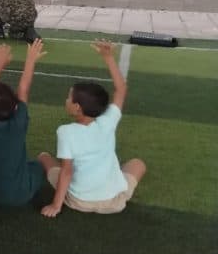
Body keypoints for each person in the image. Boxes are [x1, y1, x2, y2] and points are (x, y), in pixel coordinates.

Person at [39, 41, 147, 217]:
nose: (66, 100)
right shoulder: (108, 121)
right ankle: (109, 177)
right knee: (137, 163)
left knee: (44, 157)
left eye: (69, 98)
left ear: (77, 108)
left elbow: (67, 172)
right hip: (115, 203)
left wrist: (56, 205)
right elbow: (121, 90)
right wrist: (108, 57)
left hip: (79, 202)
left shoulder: (65, 131)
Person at [0, 40, 48, 206]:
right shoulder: (17, 125)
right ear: (15, 107)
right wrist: (30, 60)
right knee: (38, 163)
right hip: (20, 194)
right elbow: (23, 89)